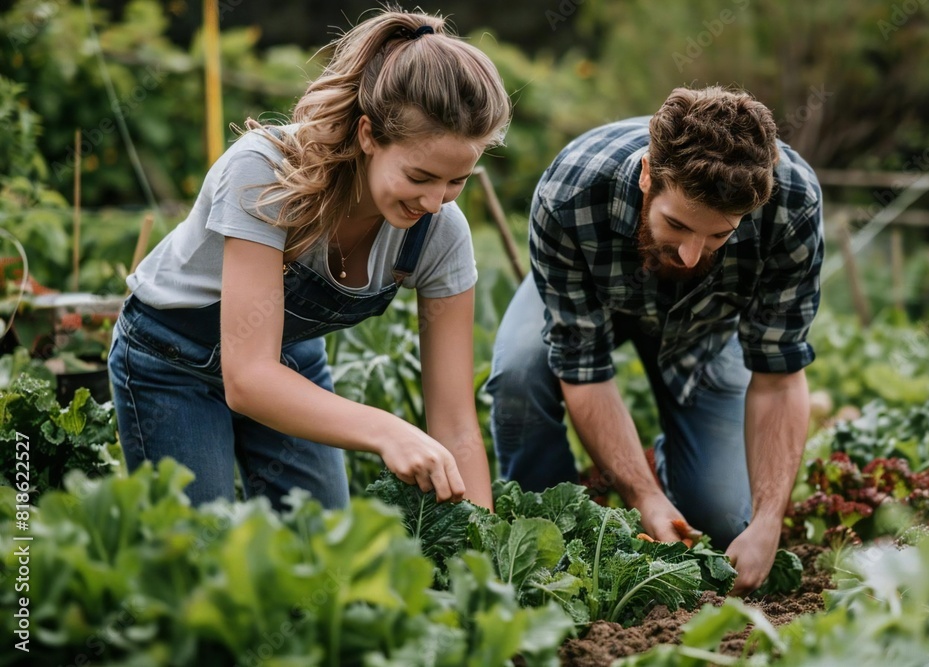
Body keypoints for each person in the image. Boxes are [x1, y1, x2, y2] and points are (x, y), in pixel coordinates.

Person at [108, 9, 510, 512]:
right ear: (369, 135)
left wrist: (485, 558)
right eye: (420, 176)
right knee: (197, 555)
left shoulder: (441, 235)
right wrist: (387, 431)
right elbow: (248, 379)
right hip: (170, 358)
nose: (435, 201)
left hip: (289, 363)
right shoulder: (266, 173)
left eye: (457, 181)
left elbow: (454, 421)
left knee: (320, 550)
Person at [486, 86, 823, 594]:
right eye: (677, 224)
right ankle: (544, 534)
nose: (691, 255)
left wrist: (769, 520)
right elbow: (582, 366)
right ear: (648, 175)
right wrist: (644, 497)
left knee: (724, 522)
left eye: (718, 236)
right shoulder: (571, 190)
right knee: (521, 368)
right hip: (593, 298)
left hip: (703, 330)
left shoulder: (792, 204)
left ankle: (681, 480)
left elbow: (778, 377)